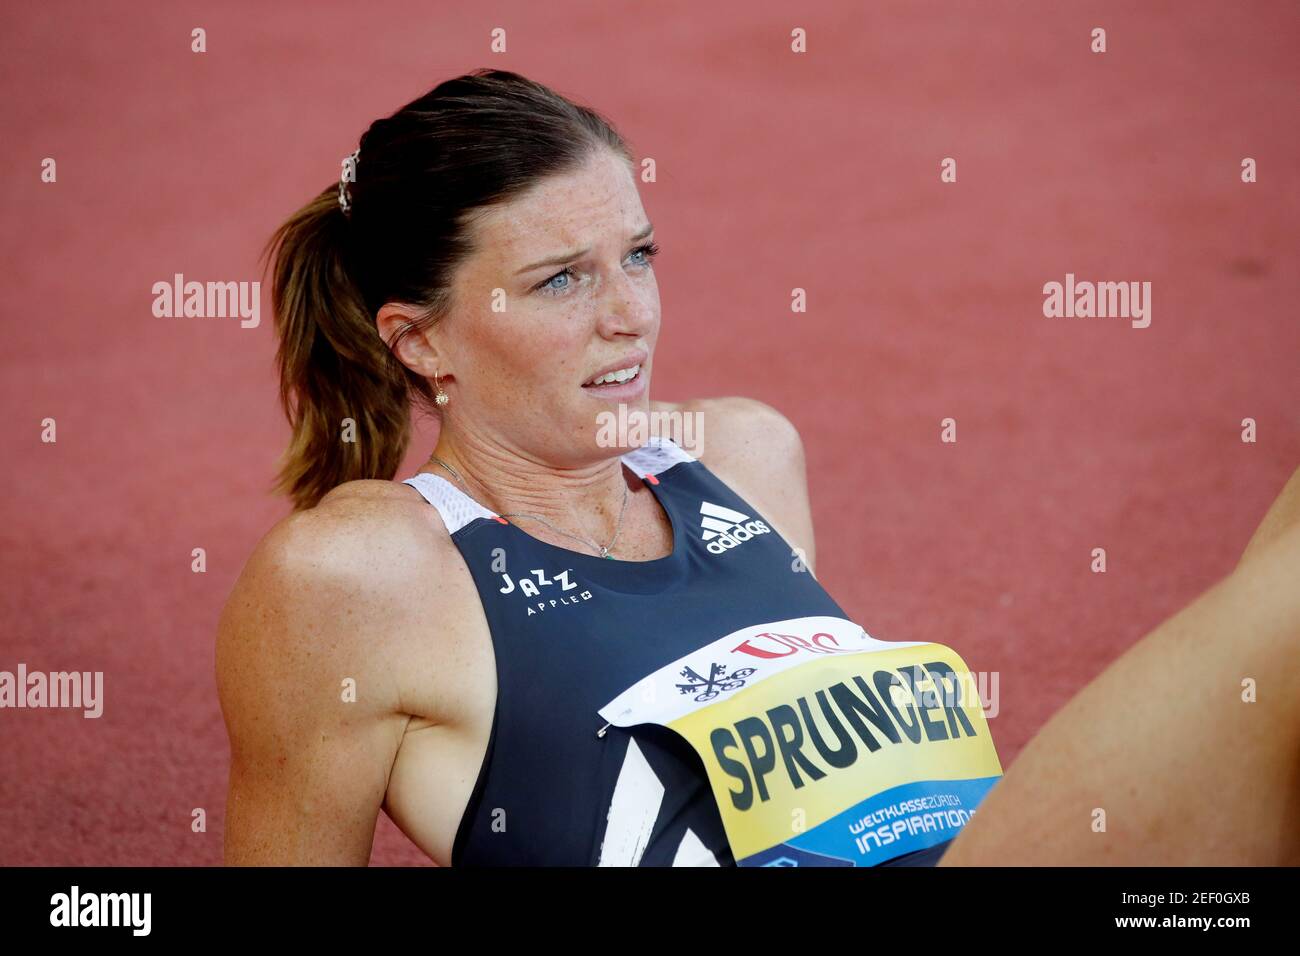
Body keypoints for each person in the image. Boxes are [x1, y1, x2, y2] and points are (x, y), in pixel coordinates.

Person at [216, 68, 1300, 867]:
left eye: (638, 255)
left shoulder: (740, 454)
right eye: (559, 281)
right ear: (421, 341)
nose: (631, 315)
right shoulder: (356, 573)